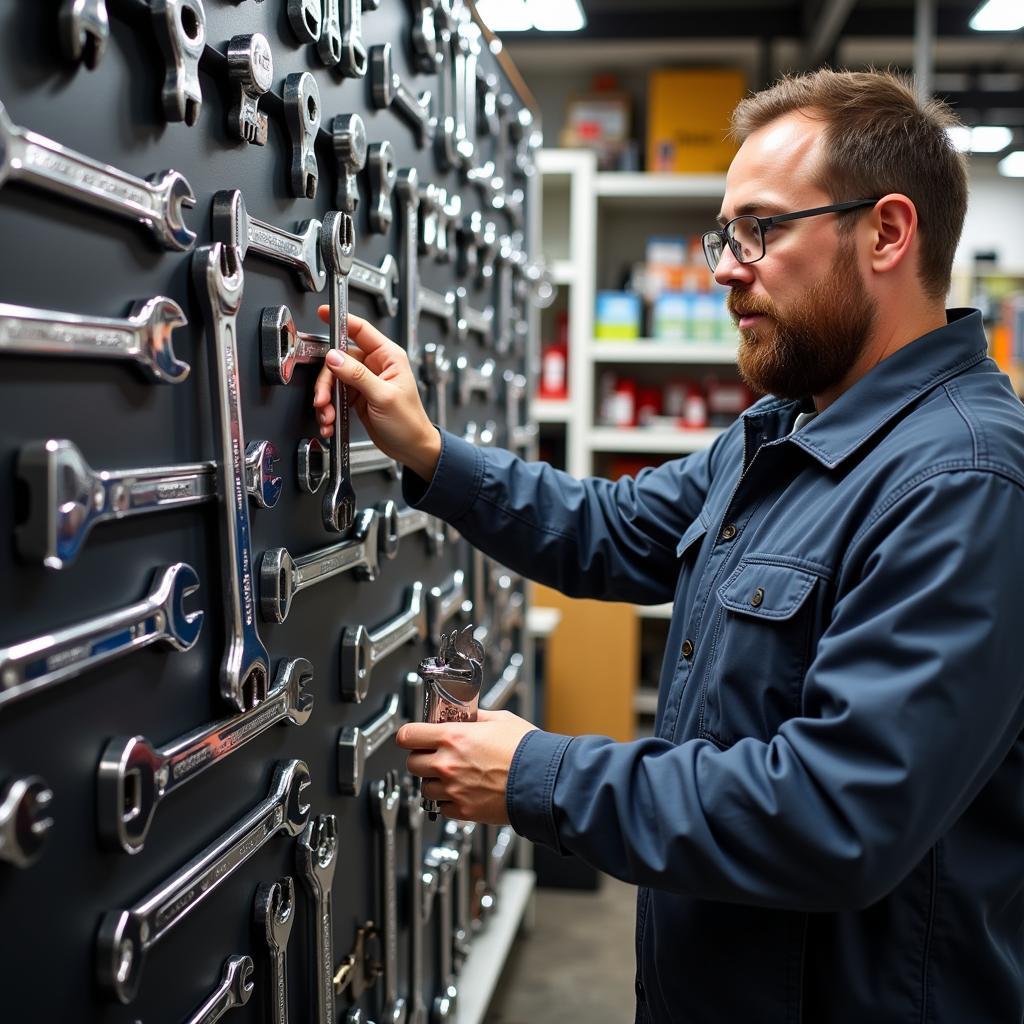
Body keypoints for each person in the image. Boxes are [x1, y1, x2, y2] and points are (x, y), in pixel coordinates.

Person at [312, 69, 1024, 1023]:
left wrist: (538, 776)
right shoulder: (783, 432)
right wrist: (429, 451)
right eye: (724, 235)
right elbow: (612, 529)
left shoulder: (964, 483)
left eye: (760, 230)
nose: (726, 267)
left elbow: (839, 814)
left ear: (888, 233)